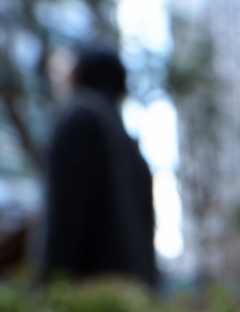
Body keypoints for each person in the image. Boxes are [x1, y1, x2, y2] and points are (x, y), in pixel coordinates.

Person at [39, 44, 158, 287]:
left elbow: (64, 213)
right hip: (133, 291)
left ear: (81, 72)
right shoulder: (129, 144)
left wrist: (49, 281)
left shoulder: (78, 117)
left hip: (87, 288)